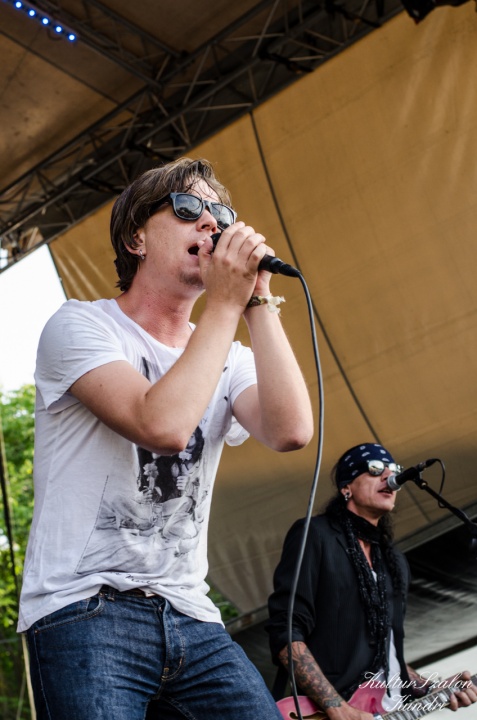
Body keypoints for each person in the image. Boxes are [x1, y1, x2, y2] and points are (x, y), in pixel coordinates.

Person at [18, 157, 314, 720]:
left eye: (220, 214)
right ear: (136, 239)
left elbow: (291, 430)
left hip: (191, 613)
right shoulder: (80, 326)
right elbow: (163, 427)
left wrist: (256, 300)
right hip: (84, 608)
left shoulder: (227, 353)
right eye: (187, 208)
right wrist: (225, 303)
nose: (211, 223)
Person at [266, 442, 477, 720]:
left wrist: (432, 688)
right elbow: (286, 628)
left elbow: (387, 654)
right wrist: (336, 706)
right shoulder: (316, 534)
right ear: (346, 487)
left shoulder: (394, 561)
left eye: (394, 470)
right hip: (327, 708)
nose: (389, 477)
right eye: (375, 469)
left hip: (387, 706)